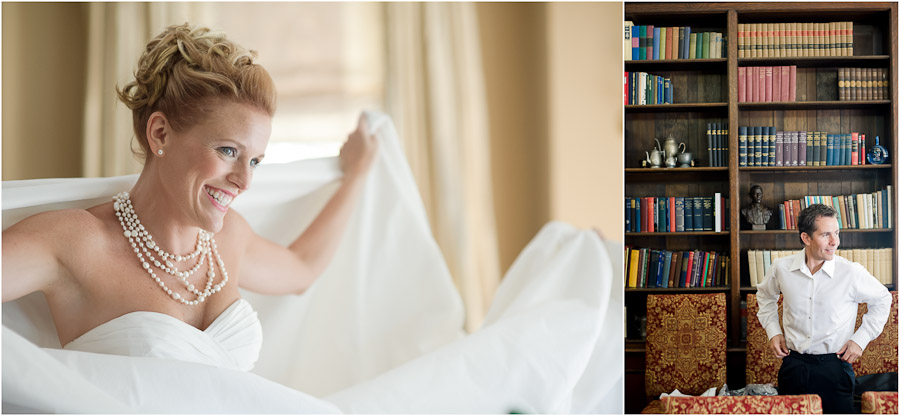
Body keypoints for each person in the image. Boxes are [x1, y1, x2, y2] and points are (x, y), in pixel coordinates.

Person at [1, 23, 376, 362]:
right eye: (228, 151)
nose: (244, 182)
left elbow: (303, 269)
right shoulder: (74, 243)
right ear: (160, 134)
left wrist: (357, 174)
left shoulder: (231, 237)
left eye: (256, 161)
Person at [756, 204, 891, 414]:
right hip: (794, 365)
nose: (834, 241)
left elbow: (883, 299)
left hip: (835, 368)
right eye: (826, 234)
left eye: (836, 233)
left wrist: (860, 340)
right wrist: (773, 332)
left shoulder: (851, 272)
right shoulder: (781, 268)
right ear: (806, 238)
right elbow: (765, 296)